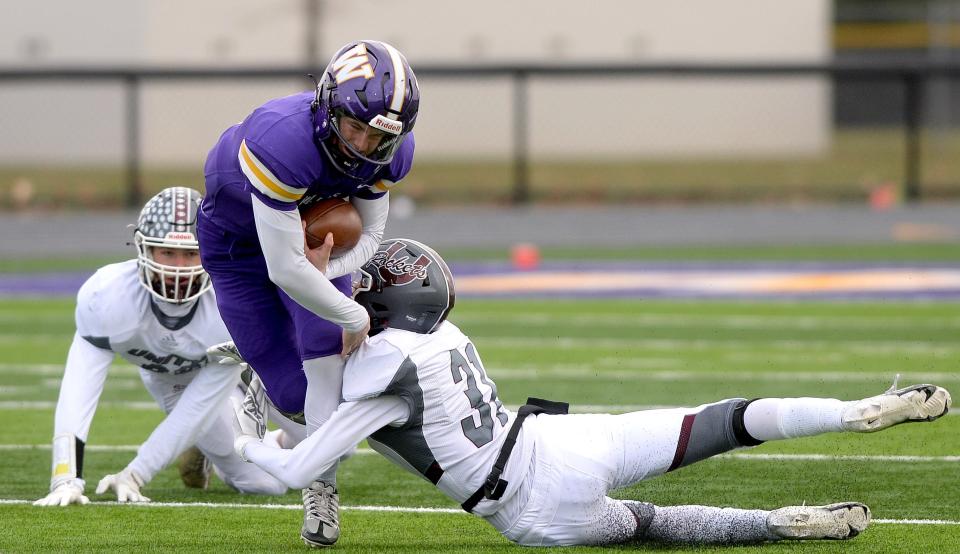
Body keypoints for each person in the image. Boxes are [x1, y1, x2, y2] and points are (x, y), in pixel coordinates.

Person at [225, 238, 952, 547]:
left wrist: (249, 431)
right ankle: (854, 411)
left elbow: (297, 456)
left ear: (386, 304)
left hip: (533, 501)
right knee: (720, 421)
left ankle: (774, 524)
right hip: (554, 437)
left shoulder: (382, 365)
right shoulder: (444, 337)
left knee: (653, 525)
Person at [197, 39, 419, 546]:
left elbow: (369, 236)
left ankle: (320, 491)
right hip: (240, 252)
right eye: (355, 127)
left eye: (377, 137)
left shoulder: (390, 152)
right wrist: (354, 316)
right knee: (293, 395)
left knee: (326, 373)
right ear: (327, 106)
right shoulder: (281, 139)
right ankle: (254, 381)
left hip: (309, 245)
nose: (363, 146)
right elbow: (282, 268)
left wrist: (330, 267)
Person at [34, 187, 287, 508]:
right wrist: (65, 478)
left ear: (209, 251)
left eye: (190, 254)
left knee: (334, 448)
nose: (179, 268)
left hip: (252, 363)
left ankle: (264, 442)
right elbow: (78, 390)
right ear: (144, 250)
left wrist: (135, 473)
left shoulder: (232, 307)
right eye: (167, 253)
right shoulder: (107, 297)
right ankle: (213, 451)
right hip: (178, 379)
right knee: (267, 484)